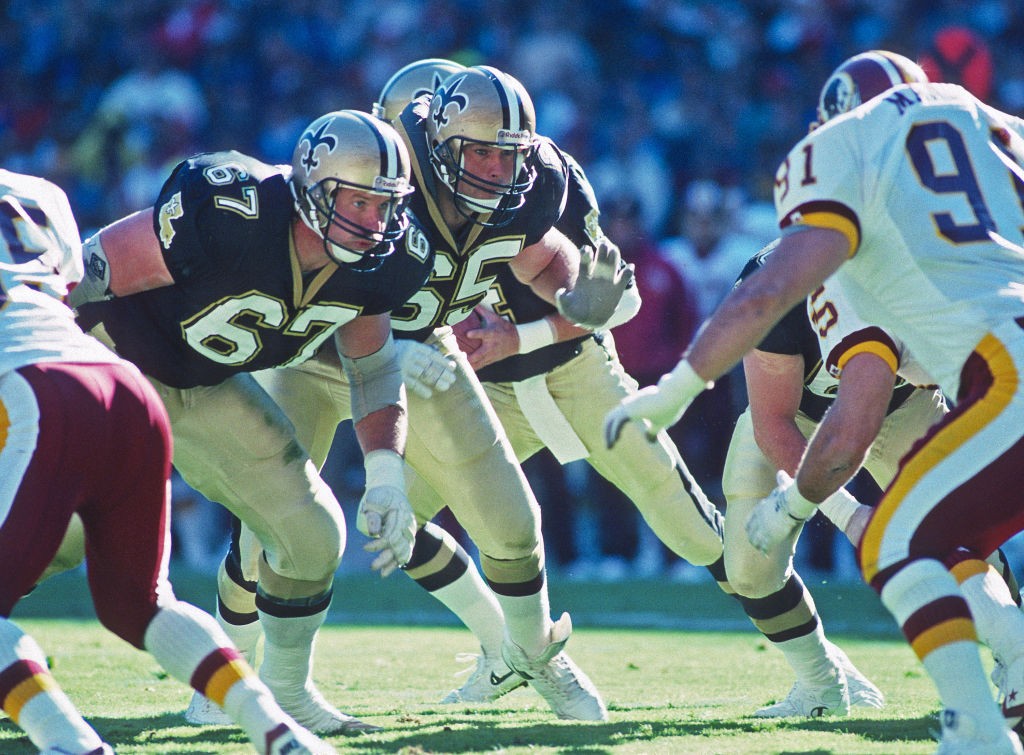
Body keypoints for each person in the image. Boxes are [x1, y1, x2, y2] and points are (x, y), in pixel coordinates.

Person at [603, 50, 1024, 753]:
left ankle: (989, 704)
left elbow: (857, 416)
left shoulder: (863, 223)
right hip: (820, 411)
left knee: (914, 538)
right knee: (753, 562)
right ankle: (826, 679)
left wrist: (821, 507)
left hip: (916, 401)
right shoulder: (974, 137)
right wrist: (834, 506)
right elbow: (775, 417)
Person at [191, 64, 632, 723]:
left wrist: (577, 295)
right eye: (481, 151)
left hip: (422, 352)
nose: (498, 170)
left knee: (512, 521)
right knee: (268, 535)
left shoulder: (527, 189)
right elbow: (339, 295)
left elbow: (541, 254)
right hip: (314, 353)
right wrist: (385, 435)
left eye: (510, 154)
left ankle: (535, 652)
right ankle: (230, 676)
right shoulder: (387, 187)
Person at [69, 109, 430, 735]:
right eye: (363, 202)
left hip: (209, 389)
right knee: (51, 537)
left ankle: (286, 692)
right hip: (115, 365)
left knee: (314, 536)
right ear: (316, 187)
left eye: (387, 206)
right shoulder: (231, 210)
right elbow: (88, 271)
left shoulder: (384, 262)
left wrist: (385, 473)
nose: (378, 223)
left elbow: (372, 369)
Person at [0, 169, 334, 755]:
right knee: (142, 604)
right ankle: (277, 732)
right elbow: (70, 281)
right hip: (123, 383)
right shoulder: (40, 192)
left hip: (34, 385)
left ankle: (70, 743)